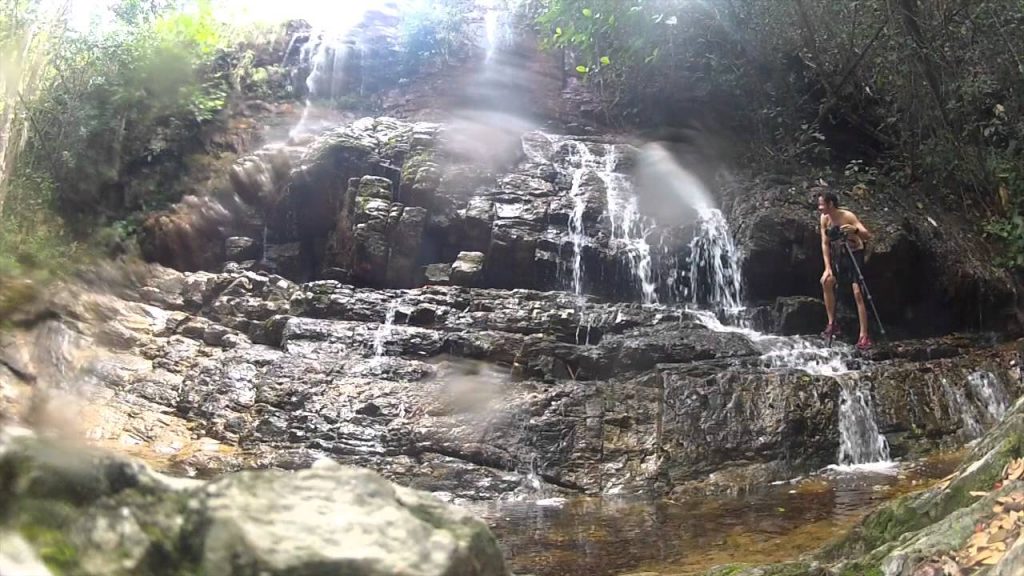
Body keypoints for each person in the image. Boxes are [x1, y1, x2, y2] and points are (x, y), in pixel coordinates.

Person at [817, 190, 873, 350]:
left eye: (822, 204)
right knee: (826, 281)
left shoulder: (847, 216)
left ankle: (864, 335)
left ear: (831, 204)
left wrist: (854, 231)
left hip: (854, 252)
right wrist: (827, 268)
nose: (820, 208)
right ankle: (832, 323)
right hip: (838, 253)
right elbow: (825, 243)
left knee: (858, 292)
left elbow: (867, 235)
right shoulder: (824, 219)